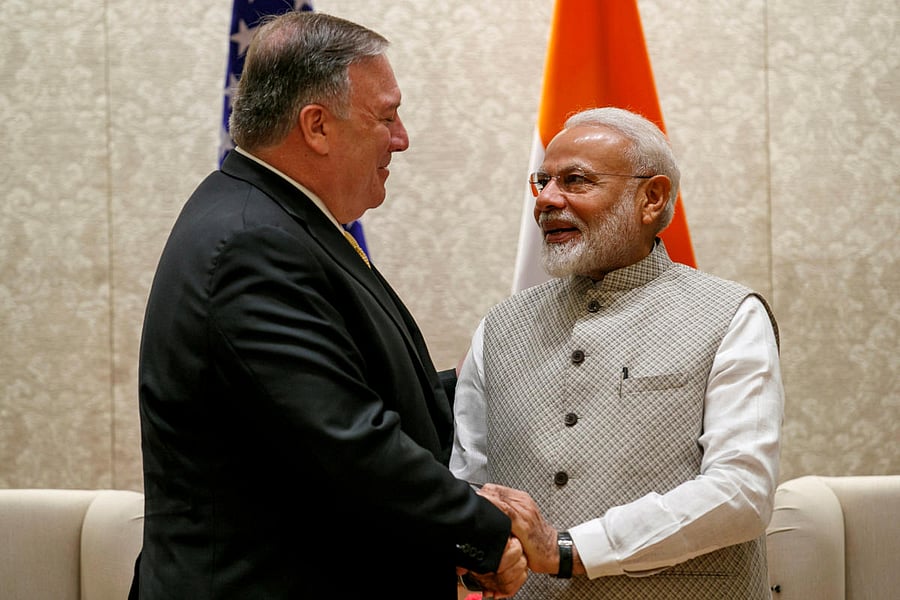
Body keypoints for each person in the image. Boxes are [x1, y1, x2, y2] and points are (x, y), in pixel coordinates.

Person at [133, 11, 526, 599]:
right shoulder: (253, 241)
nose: (402, 138)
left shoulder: (276, 220)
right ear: (317, 126)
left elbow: (342, 393)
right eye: (387, 116)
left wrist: (486, 383)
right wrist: (488, 535)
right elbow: (345, 440)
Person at [450, 106, 784, 599]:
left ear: (652, 198)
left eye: (575, 180)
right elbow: (469, 481)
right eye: (541, 181)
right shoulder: (500, 326)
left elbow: (742, 493)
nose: (546, 199)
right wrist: (477, 557)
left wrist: (570, 549)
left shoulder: (732, 316)